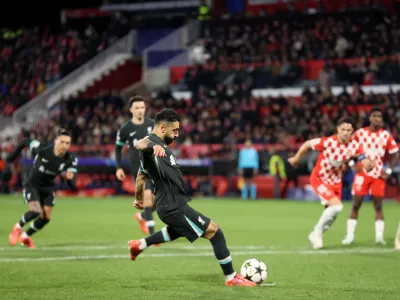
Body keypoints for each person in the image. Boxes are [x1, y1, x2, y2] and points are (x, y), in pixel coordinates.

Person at [128, 108, 256, 287]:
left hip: (170, 205)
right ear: (163, 128)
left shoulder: (158, 150)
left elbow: (141, 177)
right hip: (173, 206)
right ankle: (231, 278)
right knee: (215, 232)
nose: (177, 134)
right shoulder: (153, 144)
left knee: (178, 230)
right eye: (175, 130)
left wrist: (139, 199)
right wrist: (152, 145)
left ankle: (140, 245)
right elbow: (138, 144)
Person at [288, 117, 374, 249]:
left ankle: (316, 233)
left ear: (352, 132)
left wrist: (369, 165)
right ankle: (316, 231)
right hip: (319, 178)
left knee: (331, 215)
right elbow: (307, 144)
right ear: (338, 129)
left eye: (349, 130)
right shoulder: (328, 142)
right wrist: (296, 157)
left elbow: (364, 160)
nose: (346, 132)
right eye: (343, 129)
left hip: (336, 182)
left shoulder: (355, 145)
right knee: (337, 207)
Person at [7, 129, 78, 248]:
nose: (64, 145)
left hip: (48, 187)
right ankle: (17, 228)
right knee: (35, 211)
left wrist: (70, 180)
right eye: (62, 142)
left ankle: (25, 237)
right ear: (56, 141)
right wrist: (13, 156)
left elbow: (72, 186)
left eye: (67, 143)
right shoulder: (43, 149)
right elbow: (25, 141)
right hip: (32, 184)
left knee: (45, 218)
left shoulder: (70, 159)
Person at [342, 108, 399, 245]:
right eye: (375, 116)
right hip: (362, 173)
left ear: (382, 120)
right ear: (370, 118)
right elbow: (347, 147)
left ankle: (379, 237)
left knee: (378, 206)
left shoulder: (386, 135)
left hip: (378, 175)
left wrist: (389, 171)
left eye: (380, 116)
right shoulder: (360, 133)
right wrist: (351, 163)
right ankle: (349, 236)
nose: (377, 119)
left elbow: (396, 154)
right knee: (356, 204)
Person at [115, 95, 156, 235]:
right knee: (148, 196)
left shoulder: (152, 124)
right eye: (137, 108)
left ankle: (142, 216)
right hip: (138, 168)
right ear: (131, 110)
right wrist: (118, 167)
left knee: (156, 202)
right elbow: (117, 149)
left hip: (154, 165)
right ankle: (152, 235)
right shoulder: (125, 129)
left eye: (142, 107)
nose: (140, 110)